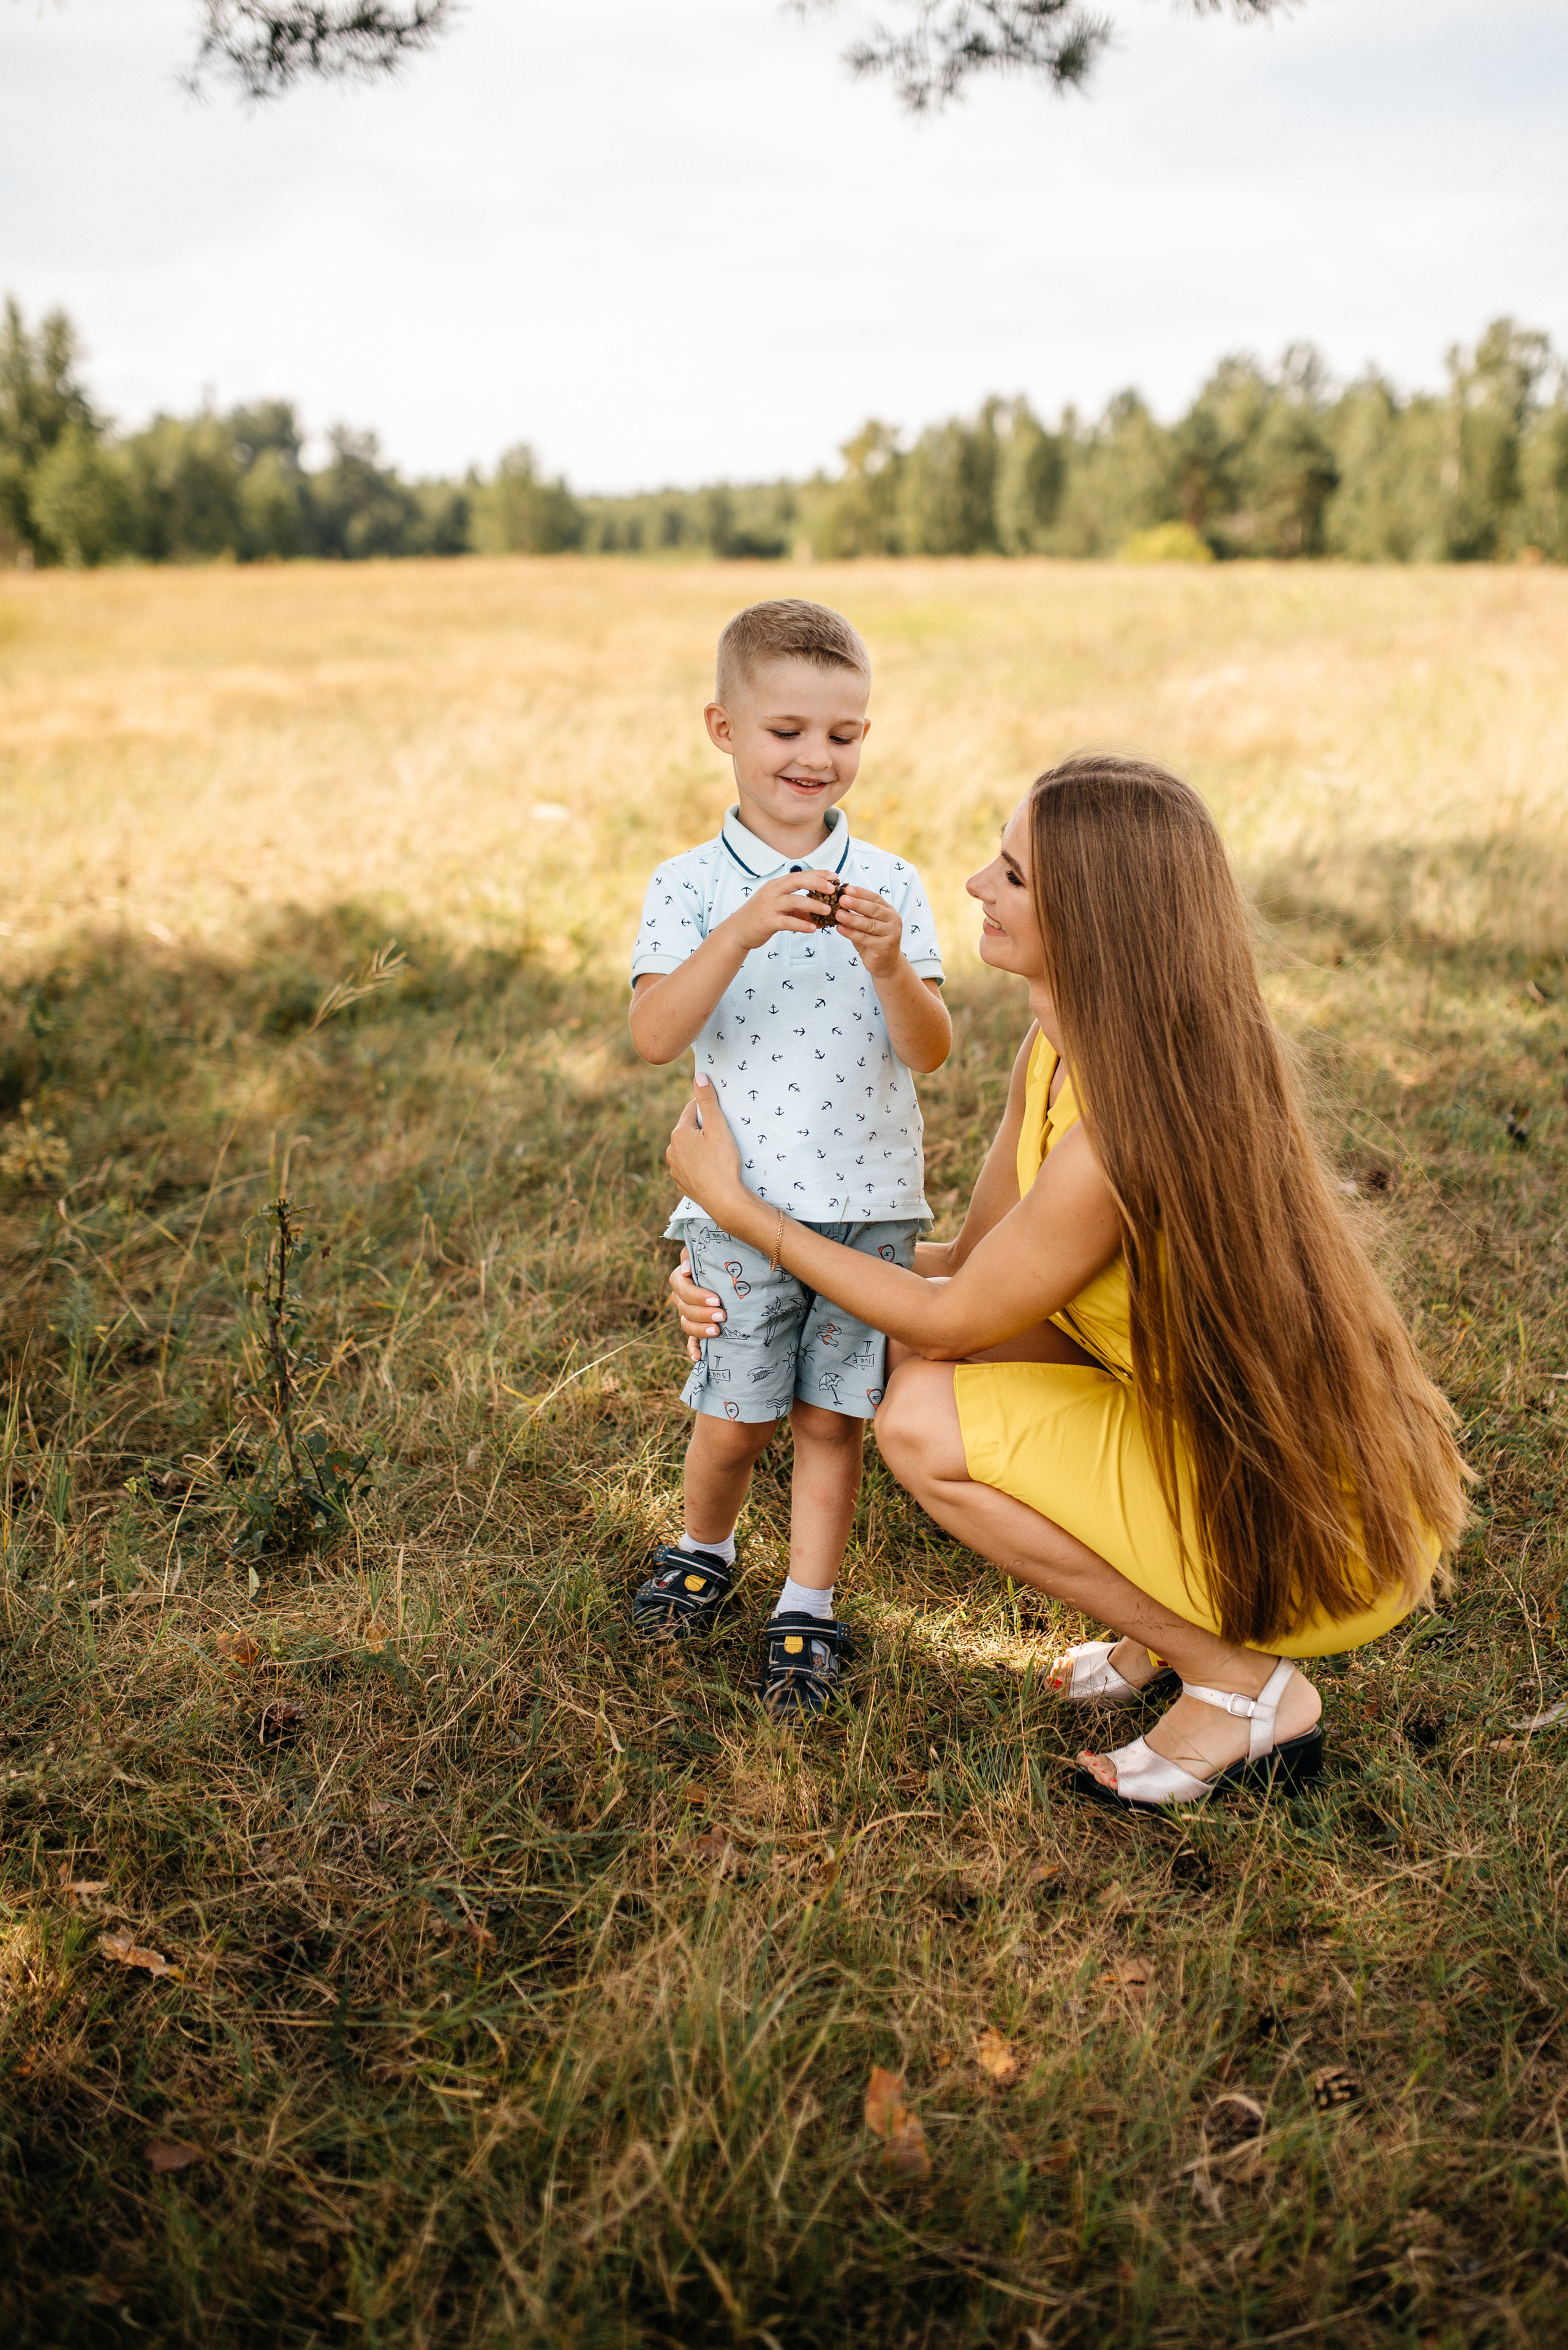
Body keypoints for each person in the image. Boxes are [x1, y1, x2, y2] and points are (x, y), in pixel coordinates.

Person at [664, 753, 1468, 1808]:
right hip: (1200, 1427)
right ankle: (1164, 1631)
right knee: (890, 1342)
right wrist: (746, 1273)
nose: (975, 887)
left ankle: (1240, 1686)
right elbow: (966, 1266)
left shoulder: (1127, 1124)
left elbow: (949, 1316)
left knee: (919, 1420)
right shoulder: (1061, 1048)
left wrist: (744, 1214)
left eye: (1012, 875)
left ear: (1095, 918)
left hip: (1315, 1531)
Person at [627, 598, 951, 1717]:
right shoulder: (688, 884)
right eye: (787, 731)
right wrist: (742, 928)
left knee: (830, 1419)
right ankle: (702, 1546)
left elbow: (930, 1051)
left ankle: (808, 1602)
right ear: (723, 729)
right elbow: (654, 1034)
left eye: (843, 734)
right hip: (740, 1201)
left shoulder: (892, 884)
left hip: (870, 1205)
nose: (817, 756)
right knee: (737, 1414)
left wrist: (893, 965)